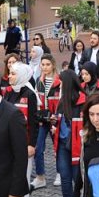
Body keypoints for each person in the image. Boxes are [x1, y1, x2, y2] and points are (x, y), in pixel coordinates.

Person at [50, 70, 87, 197]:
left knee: (78, 180)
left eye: (62, 83)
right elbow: (61, 122)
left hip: (78, 147)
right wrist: (54, 123)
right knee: (65, 178)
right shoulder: (62, 101)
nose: (60, 85)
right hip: (64, 145)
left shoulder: (84, 101)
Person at [3, 62, 39, 197]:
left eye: (13, 73)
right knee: (12, 171)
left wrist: (32, 144)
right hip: (10, 140)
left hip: (24, 141)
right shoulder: (8, 92)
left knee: (24, 171)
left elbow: (33, 122)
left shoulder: (29, 94)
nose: (9, 76)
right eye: (10, 73)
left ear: (22, 75)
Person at [32, 54, 60, 190]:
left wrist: (57, 117)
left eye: (47, 64)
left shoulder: (60, 81)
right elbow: (38, 101)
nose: (45, 67)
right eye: (42, 64)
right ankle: (40, 177)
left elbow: (62, 102)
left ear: (53, 65)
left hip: (56, 119)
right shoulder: (39, 81)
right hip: (43, 119)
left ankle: (60, 173)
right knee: (38, 148)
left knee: (58, 148)